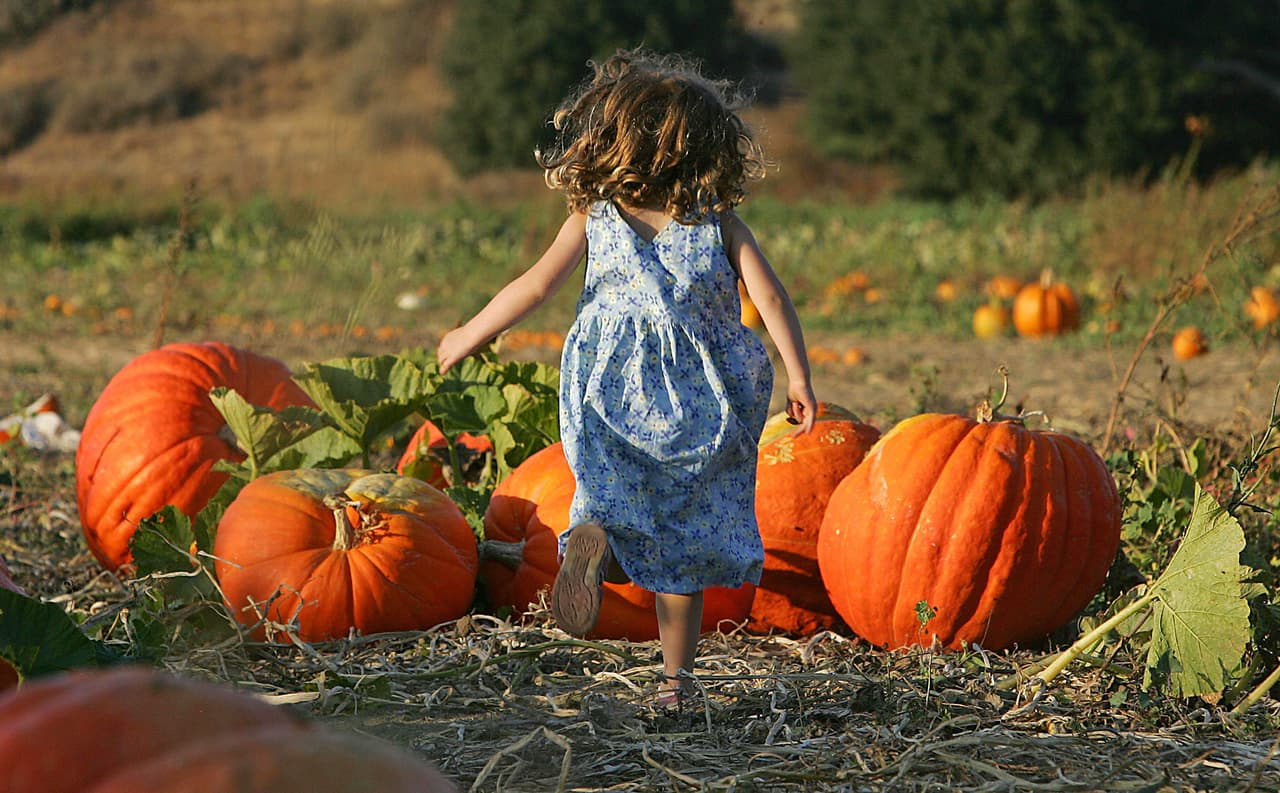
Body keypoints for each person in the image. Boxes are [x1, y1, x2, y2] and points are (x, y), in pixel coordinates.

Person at [436, 48, 816, 709]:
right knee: (683, 541)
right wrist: (799, 375)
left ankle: (594, 543)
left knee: (607, 500)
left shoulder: (596, 215)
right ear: (708, 147)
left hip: (606, 386)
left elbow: (535, 285)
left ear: (608, 140)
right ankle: (676, 684)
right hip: (696, 398)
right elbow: (773, 297)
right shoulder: (715, 219)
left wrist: (470, 332)